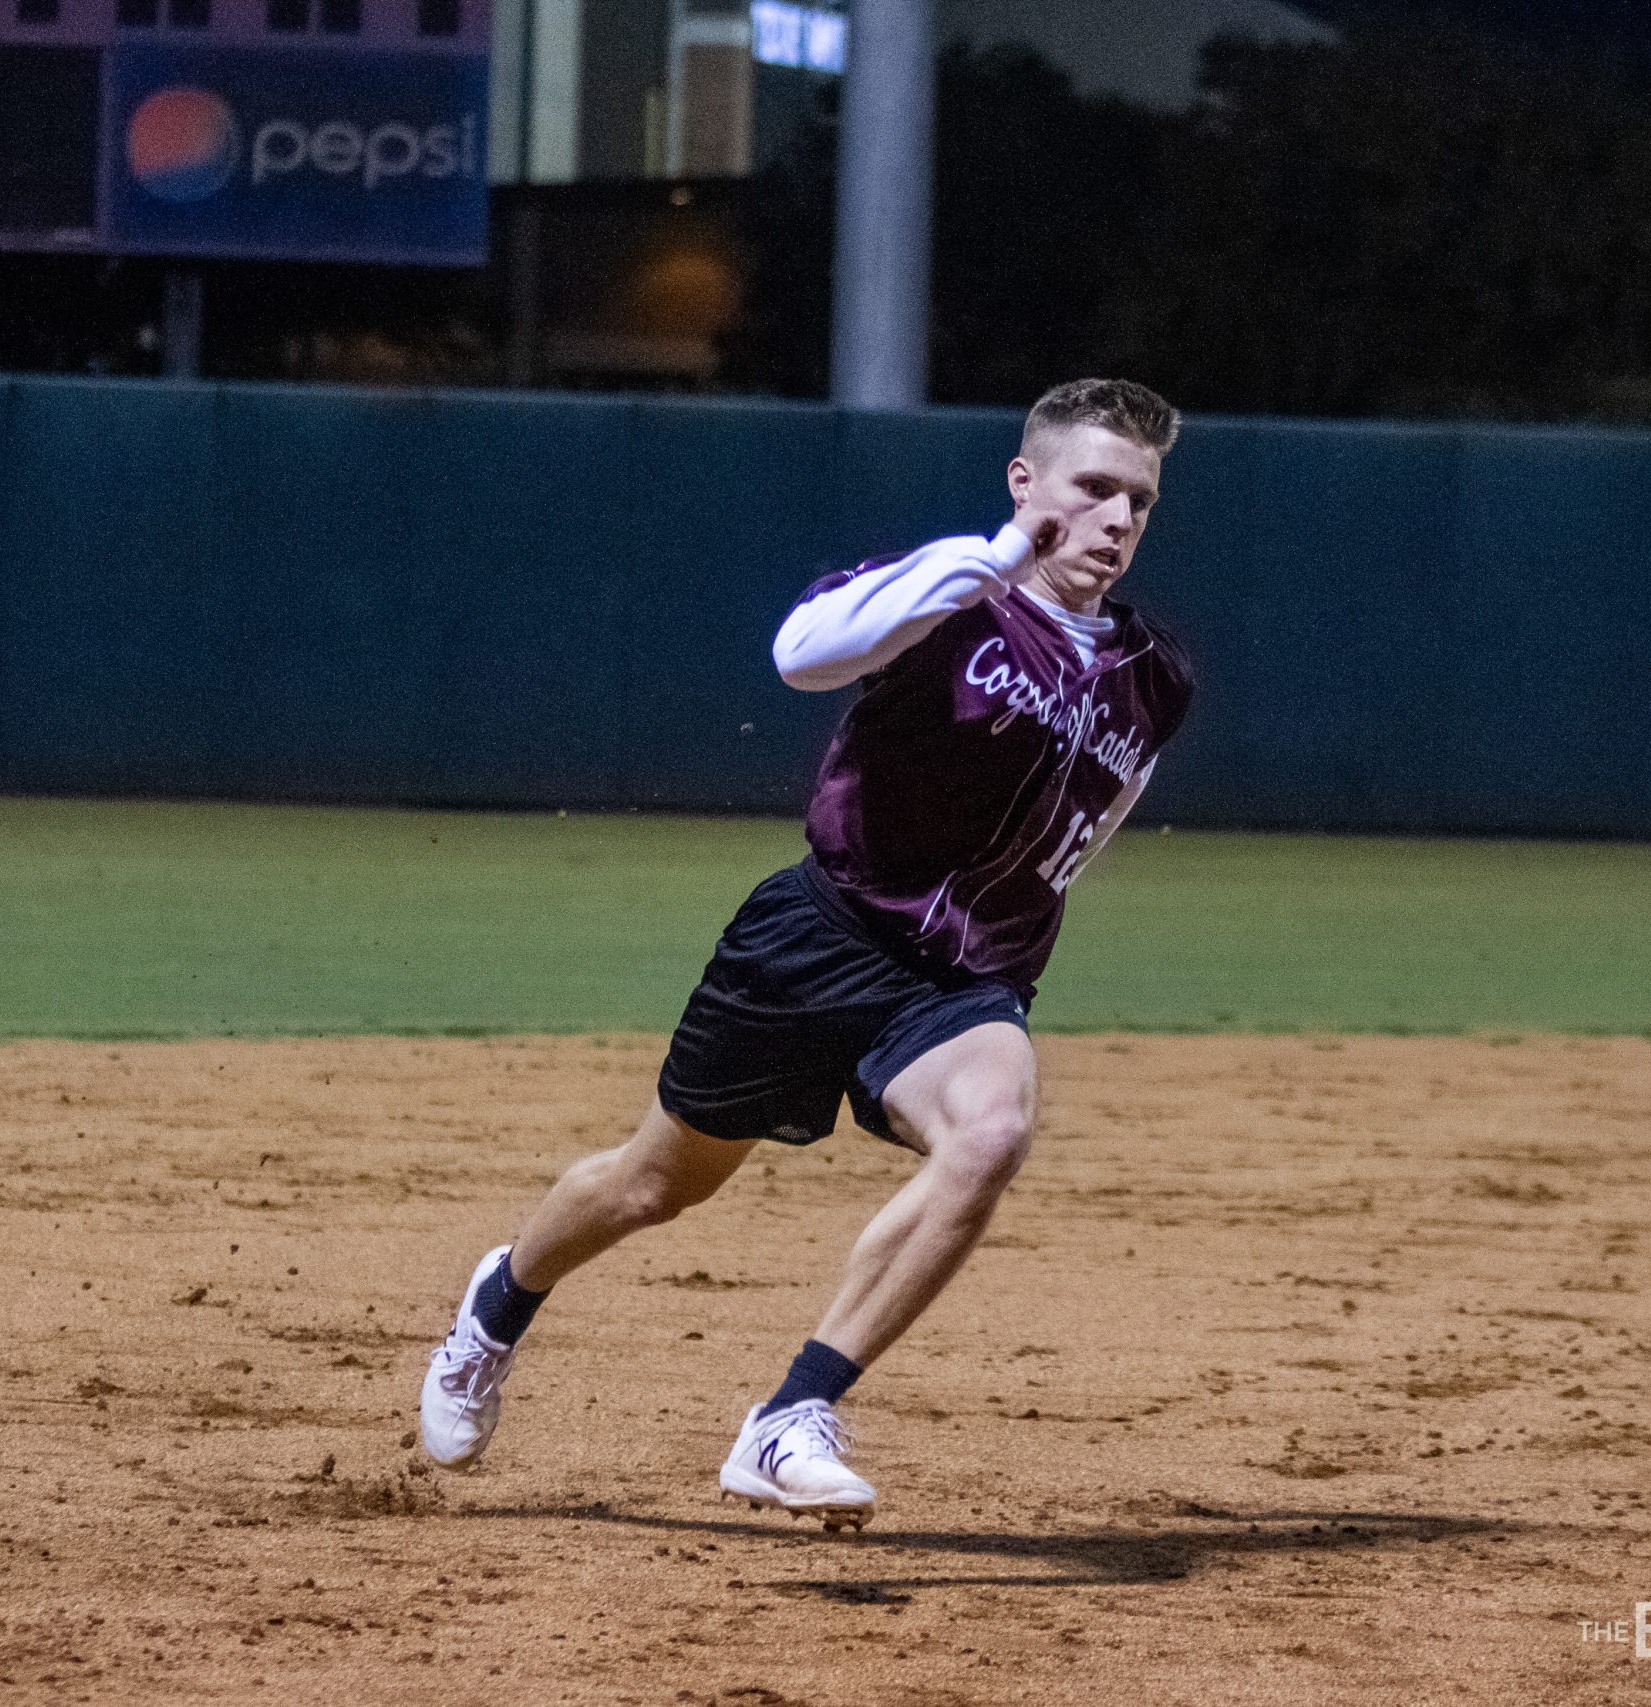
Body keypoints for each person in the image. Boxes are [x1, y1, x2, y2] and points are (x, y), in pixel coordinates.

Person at [419, 378, 1195, 1530]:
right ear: (1027, 482)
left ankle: (794, 1414)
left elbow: (1096, 817)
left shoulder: (1154, 677)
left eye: (1139, 497)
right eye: (1092, 487)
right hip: (817, 938)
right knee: (652, 1184)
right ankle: (500, 1301)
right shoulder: (950, 598)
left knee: (992, 1130)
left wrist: (1008, 951)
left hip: (960, 983)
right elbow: (803, 654)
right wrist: (986, 558)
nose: (1118, 518)